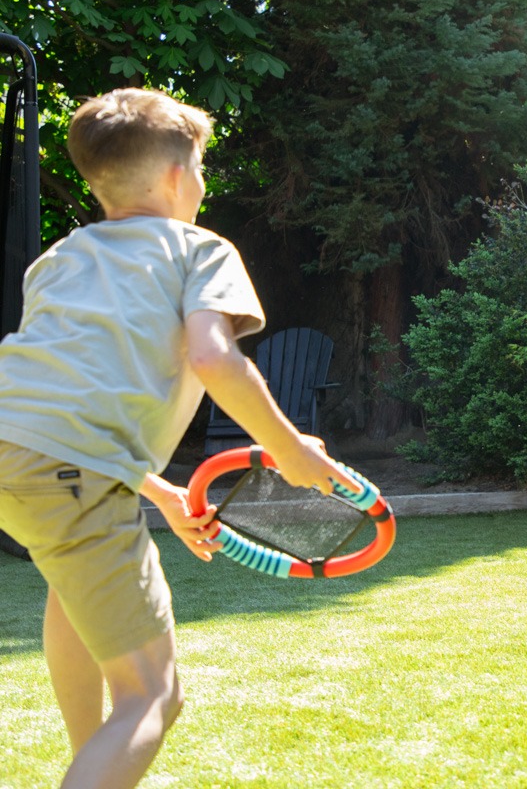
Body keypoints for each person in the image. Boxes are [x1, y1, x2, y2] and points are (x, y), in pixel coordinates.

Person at [0, 88, 348, 789]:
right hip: (68, 472)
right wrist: (289, 452)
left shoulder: (60, 259)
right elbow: (215, 359)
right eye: (201, 167)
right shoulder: (200, 251)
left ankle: (93, 764)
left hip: (19, 451)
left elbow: (62, 404)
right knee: (154, 696)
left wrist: (157, 491)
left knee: (72, 590)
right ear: (172, 176)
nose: (204, 182)